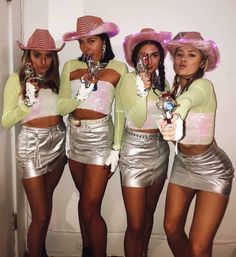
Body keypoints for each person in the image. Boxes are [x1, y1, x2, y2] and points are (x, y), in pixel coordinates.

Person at [157, 32, 235, 257]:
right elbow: (173, 102)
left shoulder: (203, 86)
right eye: (179, 54)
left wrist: (177, 120)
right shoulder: (173, 90)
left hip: (212, 170)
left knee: (199, 247)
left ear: (202, 62)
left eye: (192, 55)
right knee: (171, 229)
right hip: (183, 165)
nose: (183, 59)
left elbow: (188, 101)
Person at [58, 15, 128, 257]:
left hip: (101, 139)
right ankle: (87, 250)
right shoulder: (70, 67)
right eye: (82, 42)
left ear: (103, 42)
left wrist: (116, 148)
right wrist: (81, 95)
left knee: (90, 207)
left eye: (91, 41)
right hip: (75, 138)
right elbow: (61, 107)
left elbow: (120, 111)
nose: (86, 47)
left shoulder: (118, 69)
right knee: (84, 202)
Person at [1, 29, 67, 257]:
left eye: (48, 56)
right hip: (31, 146)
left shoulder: (56, 80)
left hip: (58, 142)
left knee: (45, 207)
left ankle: (40, 250)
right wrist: (26, 103)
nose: (44, 61)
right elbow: (7, 120)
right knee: (39, 214)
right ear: (28, 55)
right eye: (37, 55)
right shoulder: (16, 79)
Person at [113, 28, 172, 257]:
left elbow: (166, 122)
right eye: (143, 55)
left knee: (149, 213)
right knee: (136, 223)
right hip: (134, 151)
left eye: (154, 54)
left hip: (159, 150)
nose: (148, 60)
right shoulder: (128, 80)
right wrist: (141, 90)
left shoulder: (163, 85)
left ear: (160, 57)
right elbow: (136, 117)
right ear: (136, 58)